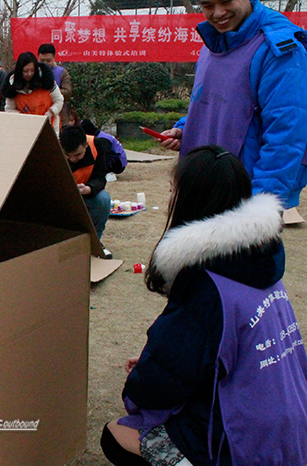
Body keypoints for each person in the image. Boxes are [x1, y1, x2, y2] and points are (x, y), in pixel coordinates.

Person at [101, 145, 307, 466]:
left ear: (193, 201)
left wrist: (144, 375)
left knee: (115, 435)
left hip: (249, 443)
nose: (171, 199)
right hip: (291, 432)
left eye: (174, 191)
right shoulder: (260, 262)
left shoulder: (209, 285)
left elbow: (158, 382)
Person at [159, 0, 307, 209]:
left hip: (242, 196)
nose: (218, 13)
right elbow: (214, 102)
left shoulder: (279, 50)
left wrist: (259, 208)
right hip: (203, 185)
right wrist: (187, 129)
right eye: (208, 5)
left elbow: (286, 136)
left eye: (226, 1)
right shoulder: (214, 40)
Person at [59, 125, 112, 256]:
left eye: (78, 154)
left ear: (86, 145)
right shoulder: (53, 148)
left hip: (86, 194)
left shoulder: (97, 145)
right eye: (67, 155)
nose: (72, 159)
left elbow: (100, 177)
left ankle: (94, 243)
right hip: (60, 196)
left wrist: (88, 189)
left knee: (103, 199)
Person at [1, 52, 64, 131]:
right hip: (25, 129)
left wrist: (50, 113)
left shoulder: (46, 81)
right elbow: (9, 109)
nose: (29, 74)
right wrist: (24, 118)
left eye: (32, 70)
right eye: (26, 71)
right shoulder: (12, 86)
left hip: (50, 126)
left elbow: (59, 100)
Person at [38, 43, 77, 126]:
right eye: (42, 61)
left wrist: (52, 92)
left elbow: (67, 92)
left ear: (54, 58)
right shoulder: (33, 72)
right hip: (38, 115)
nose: (45, 64)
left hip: (60, 117)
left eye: (48, 61)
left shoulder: (62, 73)